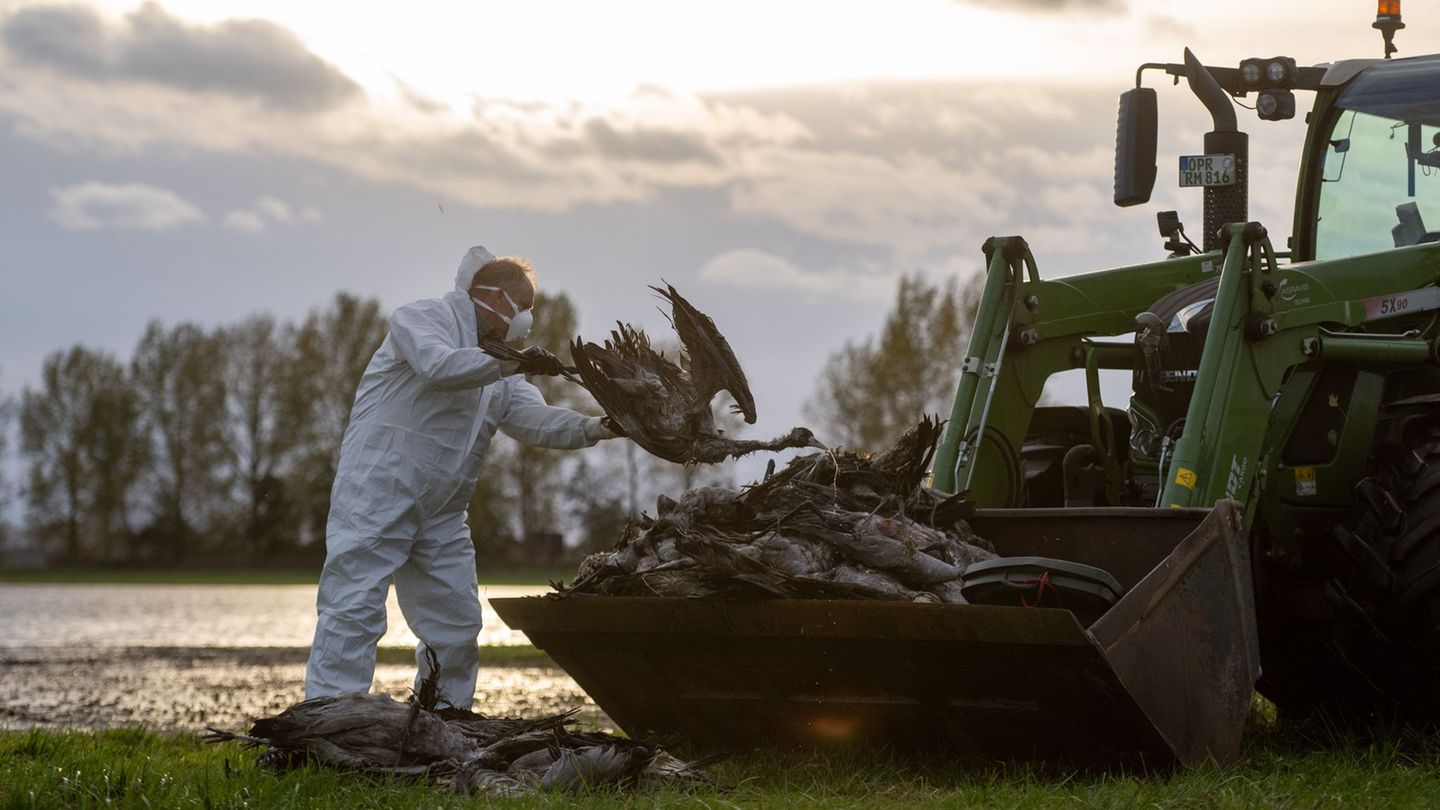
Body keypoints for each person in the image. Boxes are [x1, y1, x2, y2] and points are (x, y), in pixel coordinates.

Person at [304, 245, 621, 708]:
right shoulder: (421, 320)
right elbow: (439, 367)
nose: (527, 318)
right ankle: (328, 719)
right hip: (379, 490)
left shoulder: (502, 371)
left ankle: (442, 720)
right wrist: (512, 361)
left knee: (455, 623)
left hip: (443, 512)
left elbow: (537, 420)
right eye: (523, 305)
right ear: (490, 296)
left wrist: (601, 426)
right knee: (353, 607)